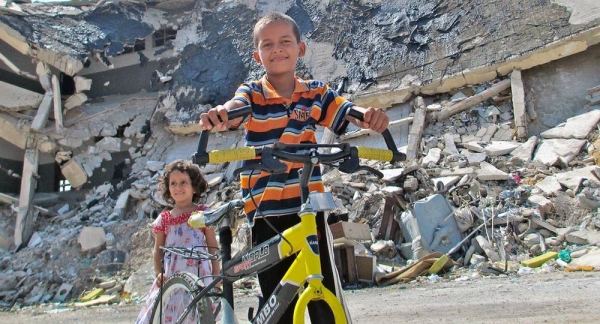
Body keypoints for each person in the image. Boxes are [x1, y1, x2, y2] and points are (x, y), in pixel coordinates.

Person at [199, 12, 389, 323]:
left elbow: (346, 111)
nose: (277, 50)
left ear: (300, 48)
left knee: (324, 292)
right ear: (257, 55)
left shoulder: (315, 93)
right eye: (268, 44)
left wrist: (369, 115)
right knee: (278, 300)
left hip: (309, 206)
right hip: (265, 211)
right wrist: (222, 113)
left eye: (285, 42)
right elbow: (235, 109)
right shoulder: (253, 93)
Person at [135, 159, 220, 324]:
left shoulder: (203, 214)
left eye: (183, 182)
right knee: (167, 313)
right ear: (168, 188)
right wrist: (159, 273)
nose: (178, 187)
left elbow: (212, 247)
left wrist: (216, 275)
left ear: (194, 187)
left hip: (199, 276)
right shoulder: (165, 218)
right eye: (173, 183)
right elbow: (157, 250)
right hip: (172, 278)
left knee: (200, 313)